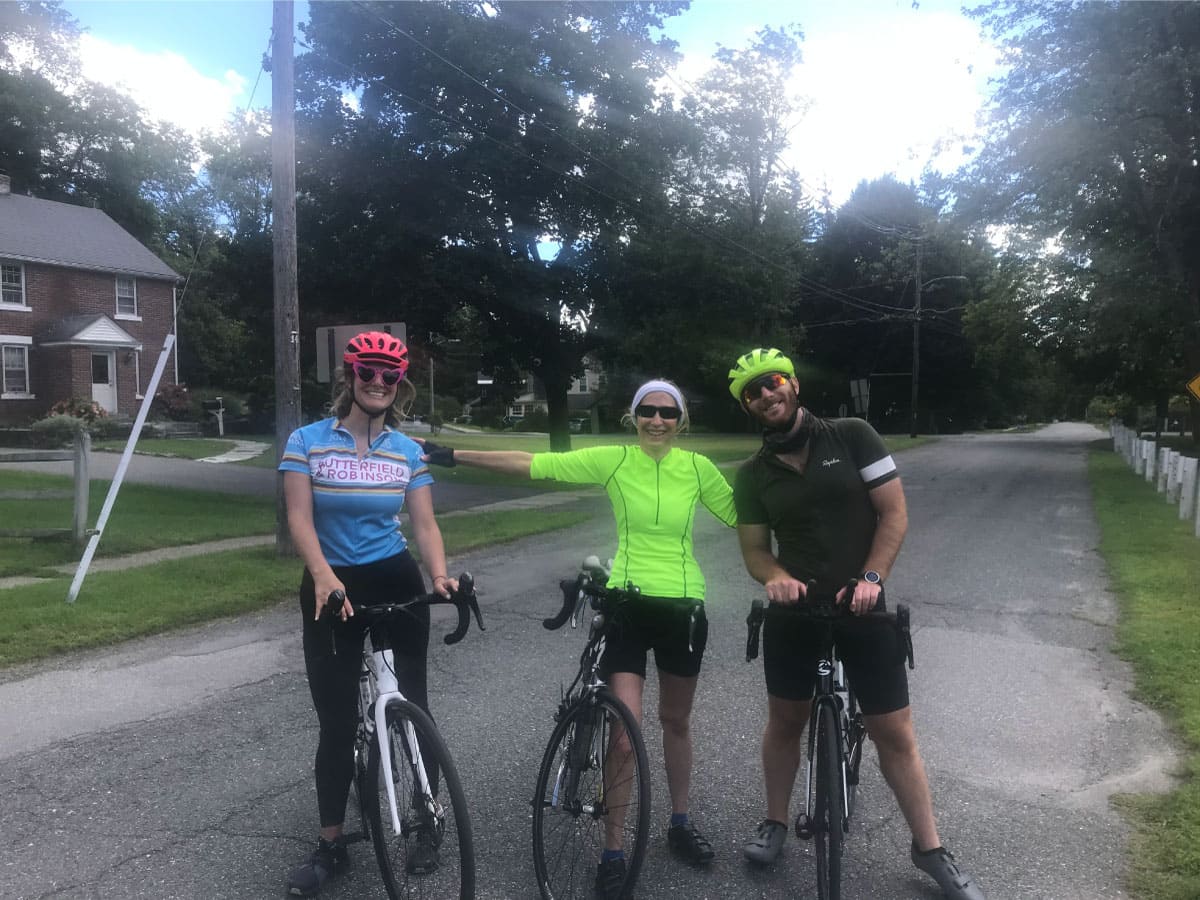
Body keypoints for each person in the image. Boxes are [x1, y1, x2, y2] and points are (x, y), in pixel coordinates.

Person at [421, 379, 736, 900]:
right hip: (629, 605)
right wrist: (450, 454)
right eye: (647, 412)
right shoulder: (614, 461)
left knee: (676, 722)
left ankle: (679, 822)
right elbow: (533, 464)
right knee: (622, 733)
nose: (657, 421)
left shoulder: (699, 469)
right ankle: (614, 851)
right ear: (633, 418)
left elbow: (746, 517)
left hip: (684, 608)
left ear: (681, 421)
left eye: (667, 413)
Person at [728, 348, 986, 900]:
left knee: (893, 732)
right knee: (784, 723)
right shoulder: (751, 474)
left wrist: (871, 577)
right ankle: (775, 822)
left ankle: (929, 848)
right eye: (753, 392)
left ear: (793, 384)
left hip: (863, 604)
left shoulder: (852, 434)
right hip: (794, 612)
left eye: (772, 382)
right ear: (748, 407)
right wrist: (773, 576)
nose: (766, 395)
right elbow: (754, 550)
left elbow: (893, 512)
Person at [278, 331, 459, 897]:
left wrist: (439, 577)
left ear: (398, 386)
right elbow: (299, 520)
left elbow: (424, 523)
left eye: (389, 376)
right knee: (335, 724)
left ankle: (426, 819)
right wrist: (324, 577)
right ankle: (332, 844)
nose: (378, 383)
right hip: (329, 583)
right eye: (368, 373)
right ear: (349, 377)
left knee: (413, 705)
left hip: (393, 576)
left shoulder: (407, 451)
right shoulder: (307, 441)